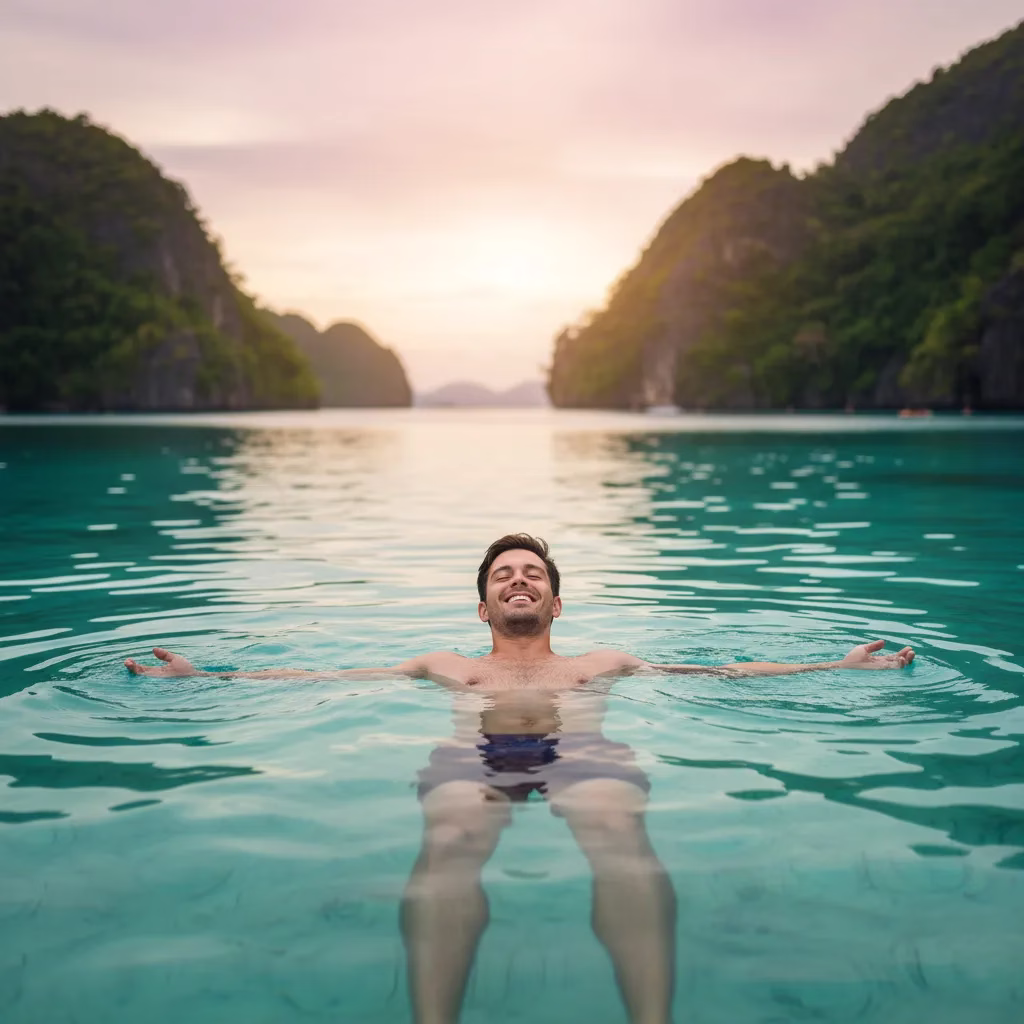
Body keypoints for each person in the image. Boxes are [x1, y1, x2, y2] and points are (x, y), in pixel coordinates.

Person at [126, 533, 915, 1024]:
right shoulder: (448, 665)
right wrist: (207, 680)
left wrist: (833, 667)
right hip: (476, 760)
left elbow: (723, 675)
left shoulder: (600, 663)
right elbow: (322, 678)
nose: (518, 579)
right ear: (482, 607)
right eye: (503, 573)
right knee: (451, 837)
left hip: (582, 755)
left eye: (532, 572)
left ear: (556, 601)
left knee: (618, 831)